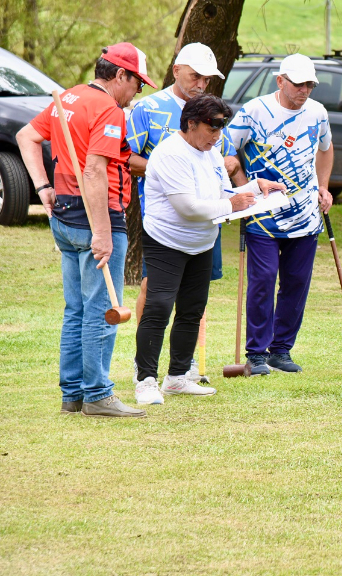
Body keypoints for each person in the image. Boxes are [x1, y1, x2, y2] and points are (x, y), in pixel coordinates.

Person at [15, 43, 157, 417]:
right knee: (101, 309)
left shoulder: (71, 96)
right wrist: (103, 232)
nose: (136, 93)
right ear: (120, 75)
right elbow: (94, 170)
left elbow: (26, 137)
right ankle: (97, 394)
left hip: (63, 214)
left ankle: (72, 395)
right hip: (98, 215)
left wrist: (43, 187)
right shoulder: (109, 110)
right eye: (137, 84)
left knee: (76, 309)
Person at [133, 95, 285, 404]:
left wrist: (255, 188)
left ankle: (177, 378)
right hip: (166, 241)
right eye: (211, 129)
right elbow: (188, 206)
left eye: (220, 130)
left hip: (201, 243)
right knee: (159, 307)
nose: (217, 137)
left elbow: (220, 193)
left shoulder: (211, 152)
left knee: (191, 309)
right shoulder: (171, 153)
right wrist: (231, 204)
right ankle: (145, 380)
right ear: (191, 124)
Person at [127, 42, 242, 384]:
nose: (201, 84)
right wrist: (172, 172)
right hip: (163, 219)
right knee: (156, 294)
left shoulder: (212, 113)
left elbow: (229, 159)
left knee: (195, 295)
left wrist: (234, 178)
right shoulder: (148, 107)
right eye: (196, 76)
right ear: (176, 70)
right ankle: (143, 366)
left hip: (207, 215)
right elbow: (127, 158)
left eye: (208, 78)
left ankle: (185, 365)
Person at [224, 54, 333, 375]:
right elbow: (226, 149)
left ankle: (280, 350)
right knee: (264, 280)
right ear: (280, 81)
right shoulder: (255, 111)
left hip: (305, 217)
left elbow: (326, 148)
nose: (304, 90)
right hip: (263, 216)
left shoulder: (317, 113)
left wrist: (323, 187)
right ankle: (256, 353)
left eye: (310, 84)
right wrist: (244, 189)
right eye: (298, 84)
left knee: (297, 282)